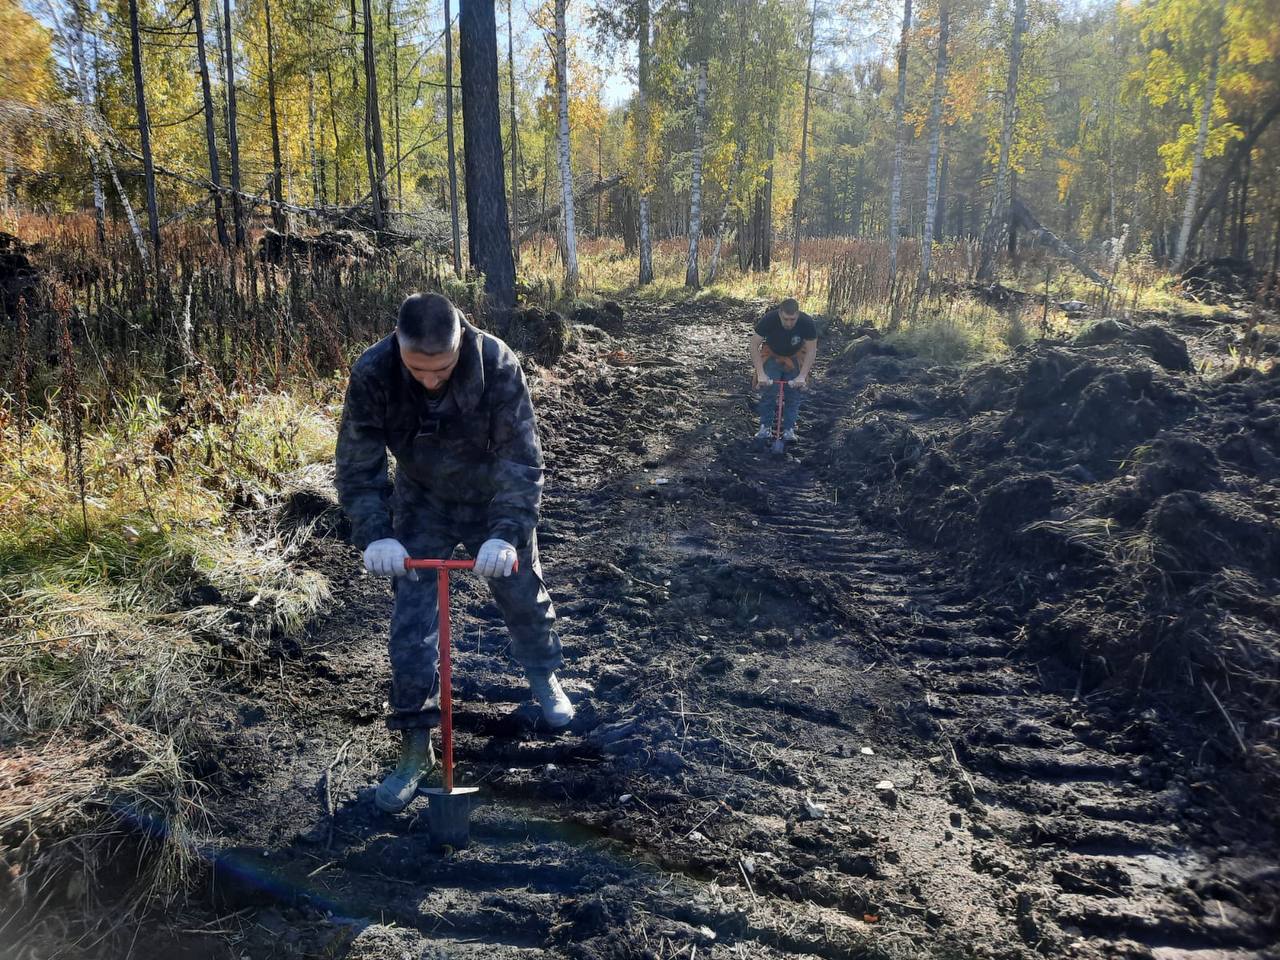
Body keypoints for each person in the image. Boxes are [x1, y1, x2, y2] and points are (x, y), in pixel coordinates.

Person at [335, 292, 574, 813]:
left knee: (521, 590)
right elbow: (358, 462)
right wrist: (377, 533)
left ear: (460, 340)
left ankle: (542, 673)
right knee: (411, 623)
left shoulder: (497, 363)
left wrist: (507, 532)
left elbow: (522, 458)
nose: (429, 380)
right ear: (398, 347)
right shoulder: (374, 372)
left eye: (440, 368)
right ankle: (415, 744)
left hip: (493, 502)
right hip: (422, 503)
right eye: (417, 369)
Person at [750, 297, 818, 441]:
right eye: (786, 319)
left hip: (795, 356)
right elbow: (753, 346)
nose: (789, 323)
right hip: (773, 355)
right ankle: (765, 427)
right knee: (769, 391)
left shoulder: (806, 322)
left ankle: (789, 429)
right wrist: (761, 374)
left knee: (793, 394)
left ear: (798, 315)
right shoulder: (769, 319)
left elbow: (811, 350)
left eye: (792, 319)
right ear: (780, 314)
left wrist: (802, 376)